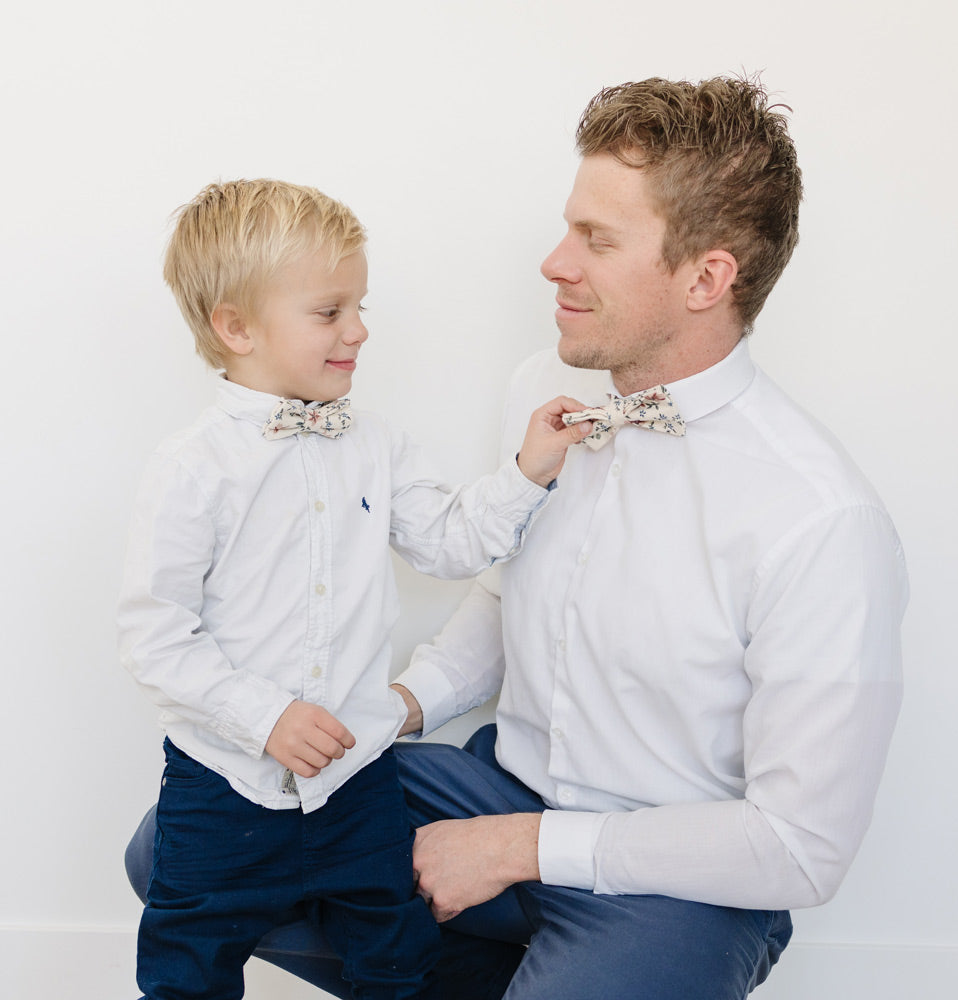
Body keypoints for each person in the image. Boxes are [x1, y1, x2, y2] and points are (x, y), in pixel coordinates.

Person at [125, 76, 907, 999]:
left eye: (597, 240)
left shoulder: (820, 521)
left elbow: (799, 848)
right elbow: (508, 588)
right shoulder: (548, 387)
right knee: (179, 850)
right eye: (568, 228)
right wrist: (393, 708)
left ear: (706, 278)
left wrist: (516, 848)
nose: (553, 262)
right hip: (497, 785)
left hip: (670, 871)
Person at [118, 178, 590, 1000]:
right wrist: (263, 716)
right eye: (330, 311)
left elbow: (450, 541)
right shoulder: (192, 469)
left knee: (396, 956)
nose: (360, 330)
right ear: (236, 327)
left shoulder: (376, 445)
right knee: (187, 966)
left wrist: (527, 471)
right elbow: (155, 636)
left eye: (359, 307)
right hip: (223, 786)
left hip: (354, 779)